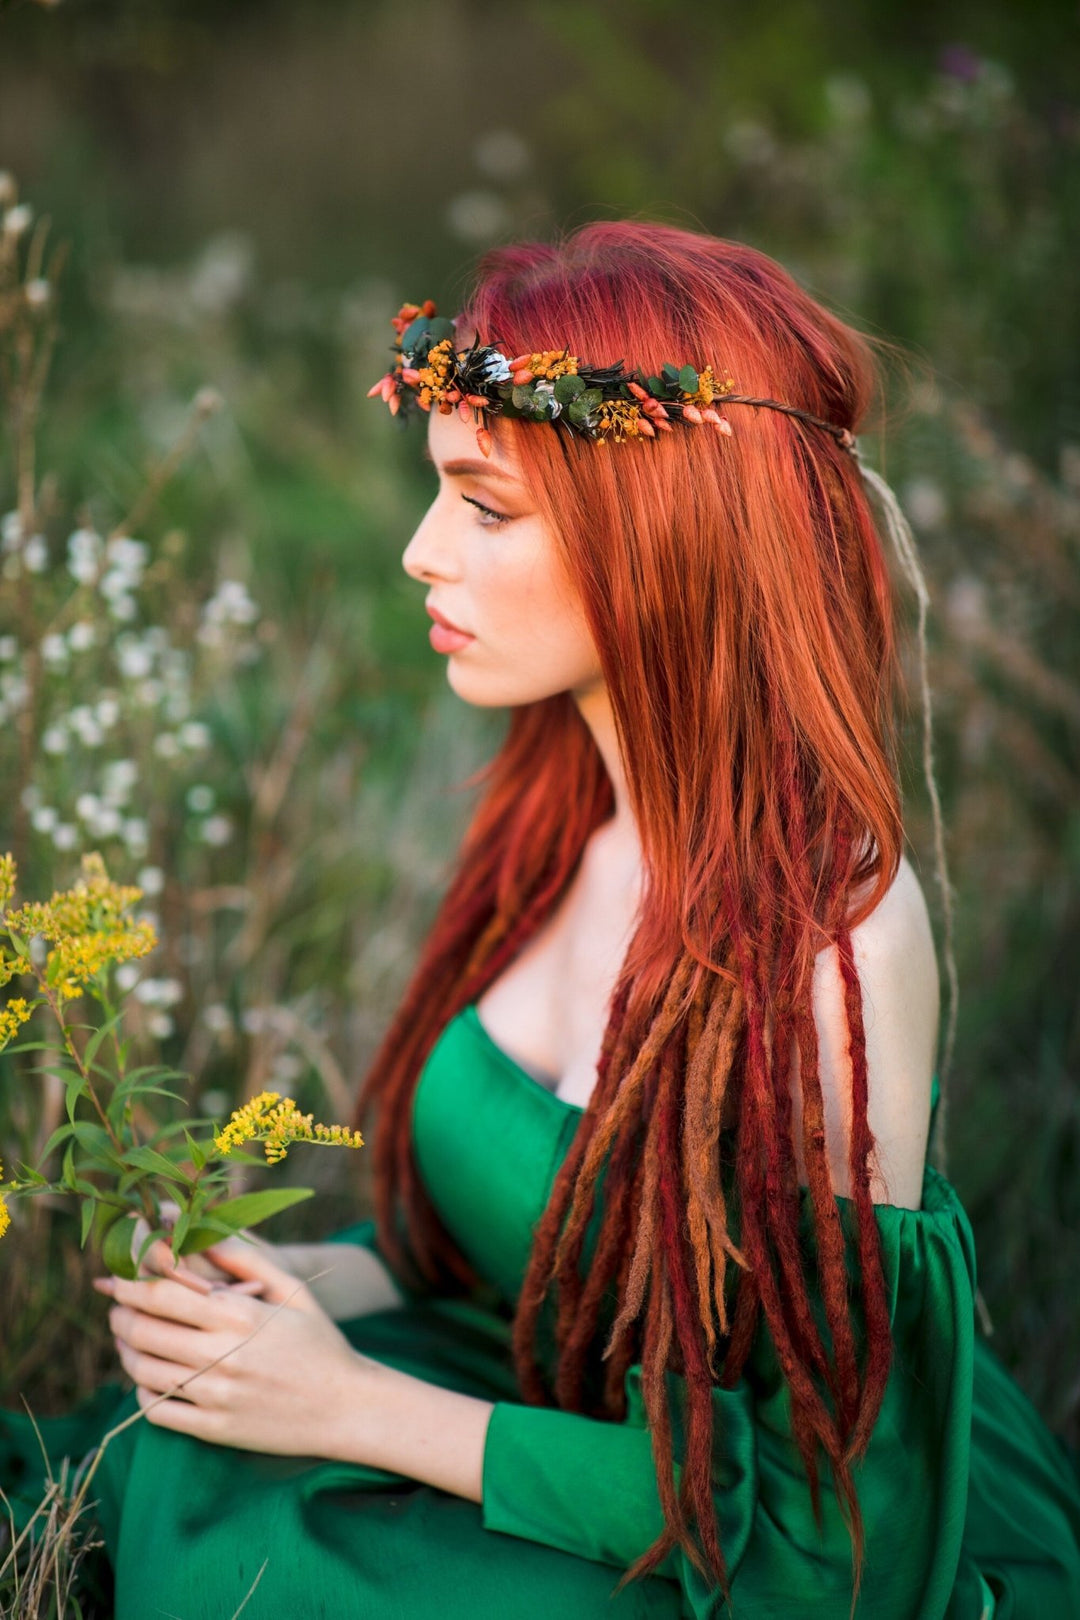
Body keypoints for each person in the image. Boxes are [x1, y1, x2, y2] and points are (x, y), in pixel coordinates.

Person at [3, 221, 1079, 1618]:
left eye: (486, 506)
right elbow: (515, 1254)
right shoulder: (559, 808)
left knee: (250, 1551)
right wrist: (295, 1283)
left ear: (671, 536)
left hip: (759, 1545)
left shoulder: (836, 939)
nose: (417, 552)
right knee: (166, 1460)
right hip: (531, 1398)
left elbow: (831, 1544)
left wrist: (349, 1410)